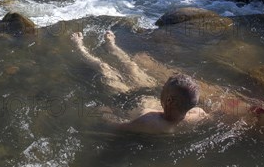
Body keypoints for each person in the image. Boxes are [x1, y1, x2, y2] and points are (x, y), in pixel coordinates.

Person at [70, 31, 207, 134]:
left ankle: (80, 48)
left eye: (163, 88)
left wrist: (104, 114)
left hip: (129, 96)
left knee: (104, 68)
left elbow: (118, 127)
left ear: (169, 100)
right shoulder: (199, 114)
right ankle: (112, 47)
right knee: (132, 66)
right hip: (146, 90)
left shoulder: (150, 122)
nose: (162, 88)